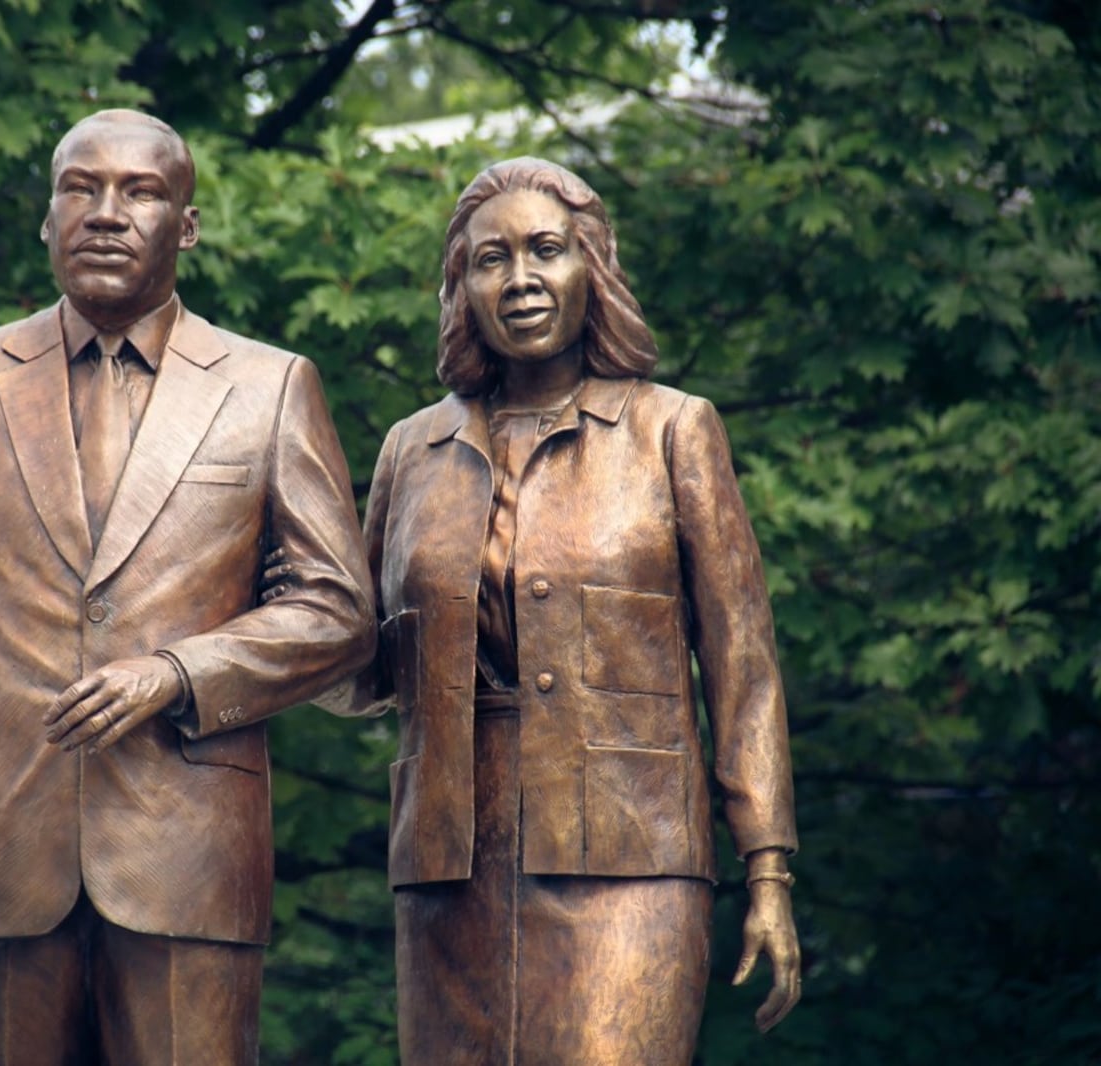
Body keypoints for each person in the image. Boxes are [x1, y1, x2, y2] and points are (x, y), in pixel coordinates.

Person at [0, 109, 375, 1066]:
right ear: (45, 221)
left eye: (139, 193)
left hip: (192, 848)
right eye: (79, 189)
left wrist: (178, 672)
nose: (105, 213)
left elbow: (341, 612)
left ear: (184, 227)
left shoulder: (268, 387)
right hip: (4, 842)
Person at [325, 157, 801, 1064]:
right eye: (489, 259)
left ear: (595, 266)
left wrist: (767, 870)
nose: (521, 280)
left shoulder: (672, 430)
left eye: (547, 250)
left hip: (633, 851)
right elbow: (356, 667)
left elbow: (742, 667)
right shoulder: (411, 450)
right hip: (449, 867)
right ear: (461, 288)